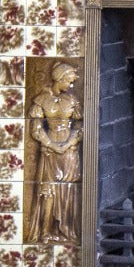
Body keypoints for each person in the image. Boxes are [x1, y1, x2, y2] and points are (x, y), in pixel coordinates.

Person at [27, 60, 83, 244]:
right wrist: (51, 144)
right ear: (60, 79)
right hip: (50, 151)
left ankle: (66, 230)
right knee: (48, 191)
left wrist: (67, 145)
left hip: (69, 151)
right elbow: (36, 129)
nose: (72, 84)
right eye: (69, 80)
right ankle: (45, 231)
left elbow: (80, 127)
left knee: (68, 189)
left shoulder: (72, 101)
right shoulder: (41, 101)